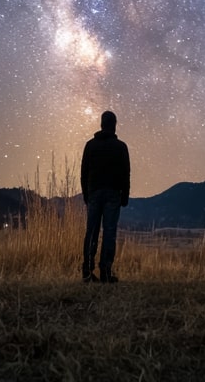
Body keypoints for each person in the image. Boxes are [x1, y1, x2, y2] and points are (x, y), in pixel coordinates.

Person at [80, 109, 130, 283]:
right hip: (113, 194)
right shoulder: (121, 147)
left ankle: (87, 271)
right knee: (109, 232)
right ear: (114, 126)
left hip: (94, 192)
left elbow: (84, 173)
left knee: (91, 231)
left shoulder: (90, 145)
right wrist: (125, 196)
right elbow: (126, 173)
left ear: (101, 124)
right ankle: (106, 271)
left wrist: (87, 195)